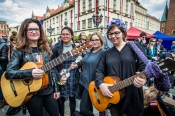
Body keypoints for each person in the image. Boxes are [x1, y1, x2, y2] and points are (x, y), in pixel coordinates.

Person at [5, 18, 61, 116]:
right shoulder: (19, 51)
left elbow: (52, 71)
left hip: (48, 91)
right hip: (32, 94)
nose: (34, 31)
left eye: (36, 29)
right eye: (30, 29)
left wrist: (56, 89)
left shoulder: (46, 49)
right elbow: (9, 73)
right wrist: (29, 73)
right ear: (24, 32)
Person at [95, 19, 146, 116]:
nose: (113, 36)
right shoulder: (106, 54)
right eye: (110, 34)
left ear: (123, 33)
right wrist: (100, 84)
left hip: (132, 94)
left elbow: (144, 66)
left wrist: (143, 79)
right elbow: (99, 71)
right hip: (114, 95)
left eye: (116, 33)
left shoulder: (134, 48)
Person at [72, 32, 105, 116]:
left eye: (97, 39)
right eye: (92, 40)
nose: (94, 42)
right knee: (88, 106)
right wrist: (77, 64)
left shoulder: (103, 53)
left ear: (101, 40)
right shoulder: (89, 51)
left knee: (83, 109)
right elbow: (84, 60)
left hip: (92, 84)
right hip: (83, 81)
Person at [52, 26, 79, 116]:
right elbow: (53, 64)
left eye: (67, 34)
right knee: (62, 99)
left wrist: (77, 65)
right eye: (63, 34)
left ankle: (72, 114)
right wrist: (58, 77)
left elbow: (82, 60)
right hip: (61, 75)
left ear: (71, 35)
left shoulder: (77, 47)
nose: (65, 36)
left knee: (72, 98)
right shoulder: (56, 48)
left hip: (73, 76)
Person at [0, 34, 9, 108]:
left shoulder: (3, 45)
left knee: (2, 84)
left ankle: (2, 100)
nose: (4, 37)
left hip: (1, 68)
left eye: (4, 36)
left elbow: (4, 58)